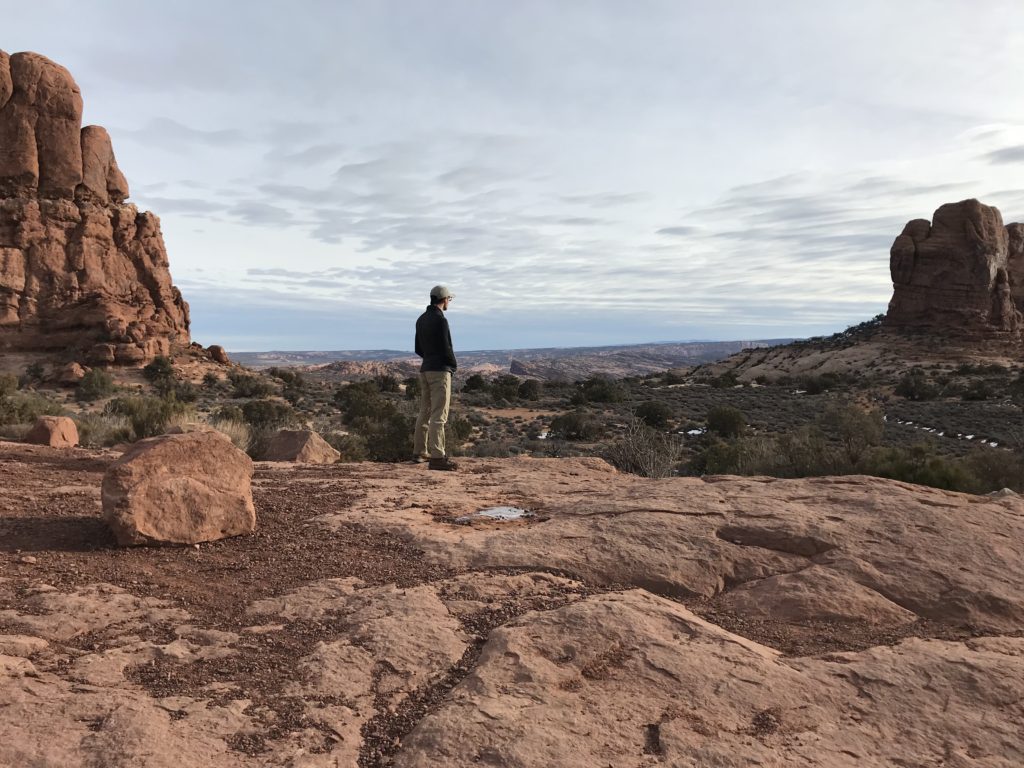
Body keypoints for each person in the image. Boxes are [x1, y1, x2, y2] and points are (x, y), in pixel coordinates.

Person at [413, 285, 459, 470]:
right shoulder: (441, 320)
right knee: (439, 414)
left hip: (425, 369)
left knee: (425, 411)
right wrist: (452, 365)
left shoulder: (421, 319)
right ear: (444, 299)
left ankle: (419, 452)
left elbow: (418, 348)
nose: (449, 302)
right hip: (440, 370)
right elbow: (447, 347)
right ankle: (438, 457)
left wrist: (429, 358)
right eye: (449, 299)